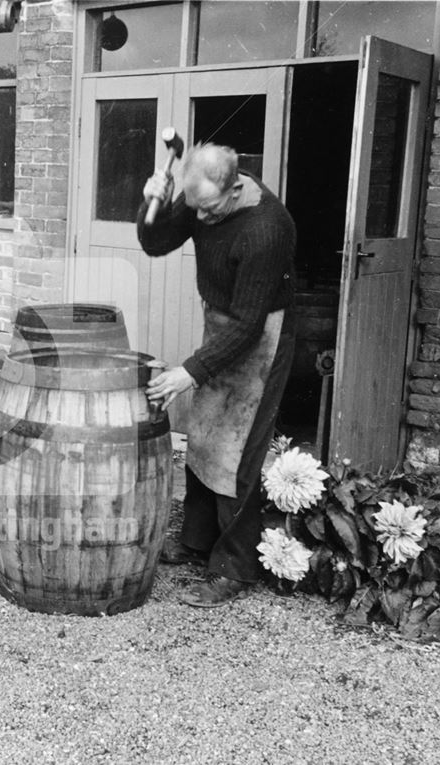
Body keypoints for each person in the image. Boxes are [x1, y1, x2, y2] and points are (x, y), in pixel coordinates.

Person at [137, 143, 296, 607]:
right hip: (223, 325)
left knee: (239, 451)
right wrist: (153, 203)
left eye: (208, 208)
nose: (200, 218)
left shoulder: (267, 229)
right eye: (193, 206)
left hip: (260, 336)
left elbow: (249, 326)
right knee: (204, 437)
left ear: (234, 187)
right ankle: (196, 543)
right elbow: (154, 243)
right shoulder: (199, 200)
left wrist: (190, 372)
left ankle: (235, 568)